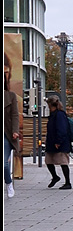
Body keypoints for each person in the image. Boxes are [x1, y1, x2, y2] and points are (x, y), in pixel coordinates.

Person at [44, 96, 73, 189]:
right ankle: (55, 177)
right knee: (48, 161)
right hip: (52, 142)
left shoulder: (59, 115)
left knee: (63, 162)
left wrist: (58, 141)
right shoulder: (53, 115)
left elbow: (62, 129)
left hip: (60, 143)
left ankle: (68, 182)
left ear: (50, 105)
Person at [4, 57, 20, 198]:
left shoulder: (11, 96)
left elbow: (15, 115)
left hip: (6, 133)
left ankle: (8, 184)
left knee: (4, 164)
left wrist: (15, 130)